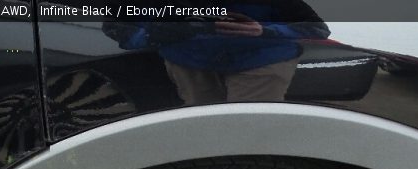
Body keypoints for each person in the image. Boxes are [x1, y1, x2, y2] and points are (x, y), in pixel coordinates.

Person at [103, 1, 330, 104]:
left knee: (249, 131)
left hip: (262, 61)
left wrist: (265, 30)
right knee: (201, 127)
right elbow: (116, 26)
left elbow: (316, 28)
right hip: (188, 61)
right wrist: (155, 34)